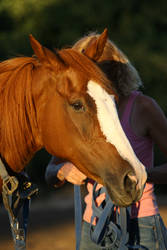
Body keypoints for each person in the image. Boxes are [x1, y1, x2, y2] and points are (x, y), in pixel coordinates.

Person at [45, 32, 167, 249]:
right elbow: (50, 172)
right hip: (93, 227)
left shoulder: (143, 108)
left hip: (141, 223)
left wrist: (141, 174)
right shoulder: (79, 115)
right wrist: (64, 170)